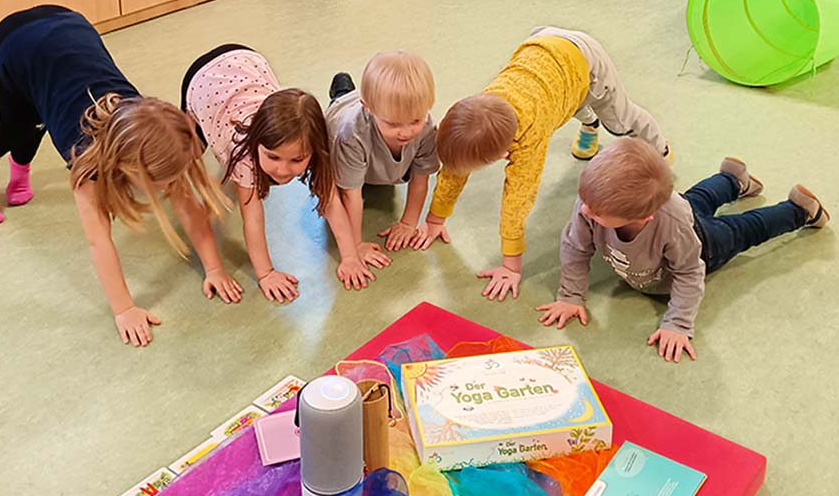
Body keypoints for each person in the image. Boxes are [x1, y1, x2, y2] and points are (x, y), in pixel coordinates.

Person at [0, 5, 239, 347]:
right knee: (18, 124)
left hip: (71, 25)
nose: (171, 189)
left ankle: (21, 171)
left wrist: (214, 268)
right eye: (163, 183)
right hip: (20, 42)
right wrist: (124, 309)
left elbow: (188, 206)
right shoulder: (88, 166)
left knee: (43, 112)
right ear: (128, 169)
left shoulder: (159, 136)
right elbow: (98, 240)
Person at [414, 27, 669, 300]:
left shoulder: (528, 136)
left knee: (619, 120)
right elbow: (454, 170)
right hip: (540, 45)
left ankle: (660, 150)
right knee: (566, 101)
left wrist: (511, 266)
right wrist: (435, 219)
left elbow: (518, 200)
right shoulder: (480, 110)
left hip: (585, 60)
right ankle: (588, 123)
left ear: (504, 155)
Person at [537, 139, 830, 362]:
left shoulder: (670, 224)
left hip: (705, 245)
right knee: (698, 199)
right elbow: (575, 246)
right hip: (680, 213)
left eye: (596, 211)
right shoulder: (592, 204)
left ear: (643, 217)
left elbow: (690, 272)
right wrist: (571, 296)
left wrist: (677, 323)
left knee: (744, 229)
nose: (584, 209)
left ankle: (800, 211)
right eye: (584, 199)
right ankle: (732, 180)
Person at [182, 44, 377, 303]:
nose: (282, 170)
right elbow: (252, 218)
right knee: (189, 151)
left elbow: (330, 201)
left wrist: (350, 256)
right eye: (273, 157)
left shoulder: (316, 149)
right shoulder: (245, 151)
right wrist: (265, 274)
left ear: (314, 149)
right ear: (258, 145)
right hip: (202, 80)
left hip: (247, 61)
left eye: (297, 160)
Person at [326, 51, 439, 256]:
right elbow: (351, 195)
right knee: (341, 101)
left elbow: (421, 180)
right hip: (342, 113)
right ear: (369, 108)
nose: (406, 132)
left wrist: (408, 223)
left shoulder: (428, 128)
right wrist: (356, 245)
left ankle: (350, 93)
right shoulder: (351, 135)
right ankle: (342, 92)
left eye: (415, 120)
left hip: (379, 164)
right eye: (393, 123)